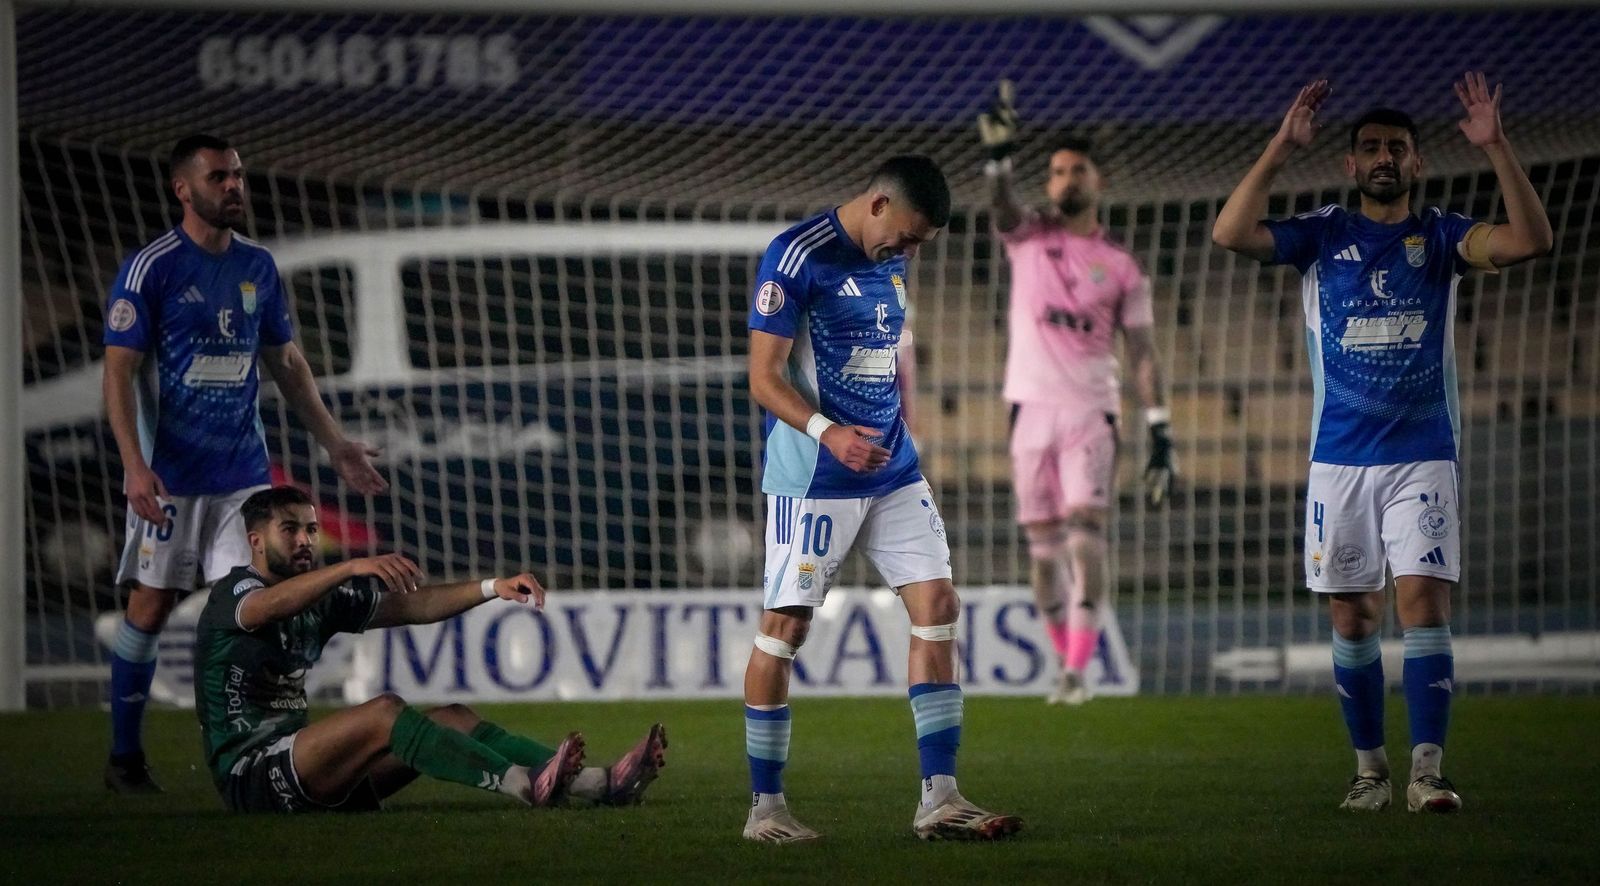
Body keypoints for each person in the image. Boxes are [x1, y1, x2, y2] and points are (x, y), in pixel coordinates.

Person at [1212, 73, 1552, 813]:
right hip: (1339, 460)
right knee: (1351, 617)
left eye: (1397, 147)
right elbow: (1230, 234)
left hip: (1423, 451)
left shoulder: (1438, 236)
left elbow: (1531, 239)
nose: (1383, 158)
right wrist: (1278, 147)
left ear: (1417, 162)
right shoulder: (1323, 234)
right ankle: (1370, 771)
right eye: (1370, 148)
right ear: (1350, 164)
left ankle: (1428, 773)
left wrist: (1495, 145)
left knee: (1423, 602)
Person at [741, 155, 1022, 843]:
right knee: (785, 630)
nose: (912, 249)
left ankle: (941, 797)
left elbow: (882, 359)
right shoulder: (795, 256)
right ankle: (765, 809)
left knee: (938, 606)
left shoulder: (892, 260)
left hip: (892, 471)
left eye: (921, 243)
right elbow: (763, 377)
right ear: (878, 204)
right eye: (910, 235)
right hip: (816, 475)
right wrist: (830, 433)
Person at [102, 135, 388, 793]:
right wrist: (134, 465)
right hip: (172, 478)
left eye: (238, 175)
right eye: (219, 177)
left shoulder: (258, 265)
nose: (234, 186)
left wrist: (335, 442)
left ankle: (262, 748)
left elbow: (287, 363)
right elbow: (118, 372)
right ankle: (124, 759)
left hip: (243, 481)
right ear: (184, 188)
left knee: (260, 603)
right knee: (150, 608)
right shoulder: (153, 268)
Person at [193, 485, 668, 813]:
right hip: (254, 777)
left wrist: (491, 587)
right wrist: (349, 568)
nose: (305, 540)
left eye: (312, 530)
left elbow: (413, 606)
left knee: (454, 717)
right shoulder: (235, 593)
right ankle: (523, 785)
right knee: (385, 712)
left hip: (315, 775)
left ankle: (601, 784)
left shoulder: (320, 599)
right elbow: (265, 609)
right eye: (290, 530)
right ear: (255, 542)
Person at [979, 81, 1178, 706]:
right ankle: (1063, 656)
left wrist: (1161, 429)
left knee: (1085, 533)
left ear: (1099, 181)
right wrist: (998, 162)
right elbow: (1001, 208)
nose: (1066, 178)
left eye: (1077, 169)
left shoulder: (1121, 267)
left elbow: (1142, 354)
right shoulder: (1028, 237)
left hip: (1091, 411)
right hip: (1028, 410)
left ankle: (1077, 672)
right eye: (1057, 170)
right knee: (1041, 552)